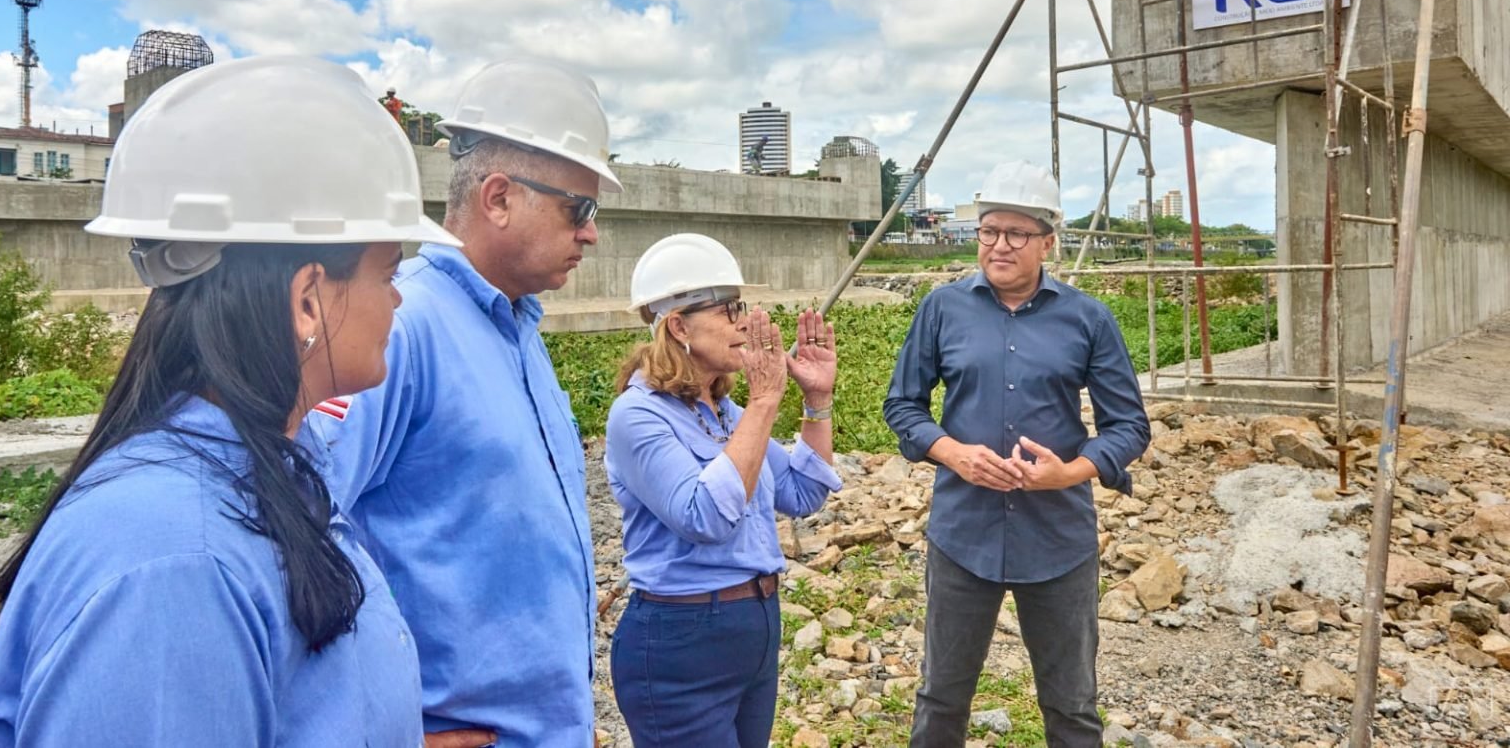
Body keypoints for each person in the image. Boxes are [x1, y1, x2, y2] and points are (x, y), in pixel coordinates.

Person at [0, 56, 481, 747]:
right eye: (389, 270)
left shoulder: (265, 470)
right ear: (309, 297)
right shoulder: (175, 562)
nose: (399, 296)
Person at [312, 59, 622, 748]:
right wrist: (360, 734)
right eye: (581, 208)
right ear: (499, 197)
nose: (591, 233)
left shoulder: (518, 330)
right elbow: (289, 533)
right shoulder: (402, 326)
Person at [883, 160, 1150, 747]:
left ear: (1048, 241)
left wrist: (1068, 474)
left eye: (1017, 234)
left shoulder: (1088, 318)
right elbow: (902, 407)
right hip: (962, 536)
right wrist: (953, 453)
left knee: (1073, 704)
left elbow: (1129, 425)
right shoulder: (942, 309)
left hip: (1058, 540)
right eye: (989, 231)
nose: (1000, 245)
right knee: (941, 699)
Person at [604, 233, 842, 747]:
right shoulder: (638, 415)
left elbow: (802, 492)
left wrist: (816, 400)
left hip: (751, 626)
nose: (742, 322)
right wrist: (764, 403)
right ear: (678, 325)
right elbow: (703, 517)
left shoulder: (723, 413)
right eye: (728, 309)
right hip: (682, 640)